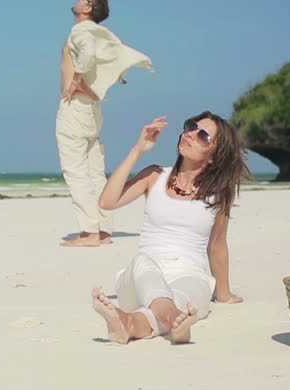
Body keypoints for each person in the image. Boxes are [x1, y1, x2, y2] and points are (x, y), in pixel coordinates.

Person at [91, 112, 252, 343]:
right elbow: (107, 202)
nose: (191, 134)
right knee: (143, 265)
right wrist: (138, 150)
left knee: (190, 293)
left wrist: (224, 295)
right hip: (143, 274)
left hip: (189, 273)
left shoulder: (219, 194)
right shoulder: (155, 176)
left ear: (214, 156)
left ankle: (129, 324)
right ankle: (175, 322)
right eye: (191, 127)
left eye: (203, 136)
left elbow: (217, 244)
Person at [57, 0, 153, 247]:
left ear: (88, 7)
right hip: (91, 109)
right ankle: (103, 230)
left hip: (76, 108)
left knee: (76, 171)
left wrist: (76, 79)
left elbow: (87, 55)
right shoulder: (96, 33)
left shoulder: (81, 30)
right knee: (94, 171)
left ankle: (89, 233)